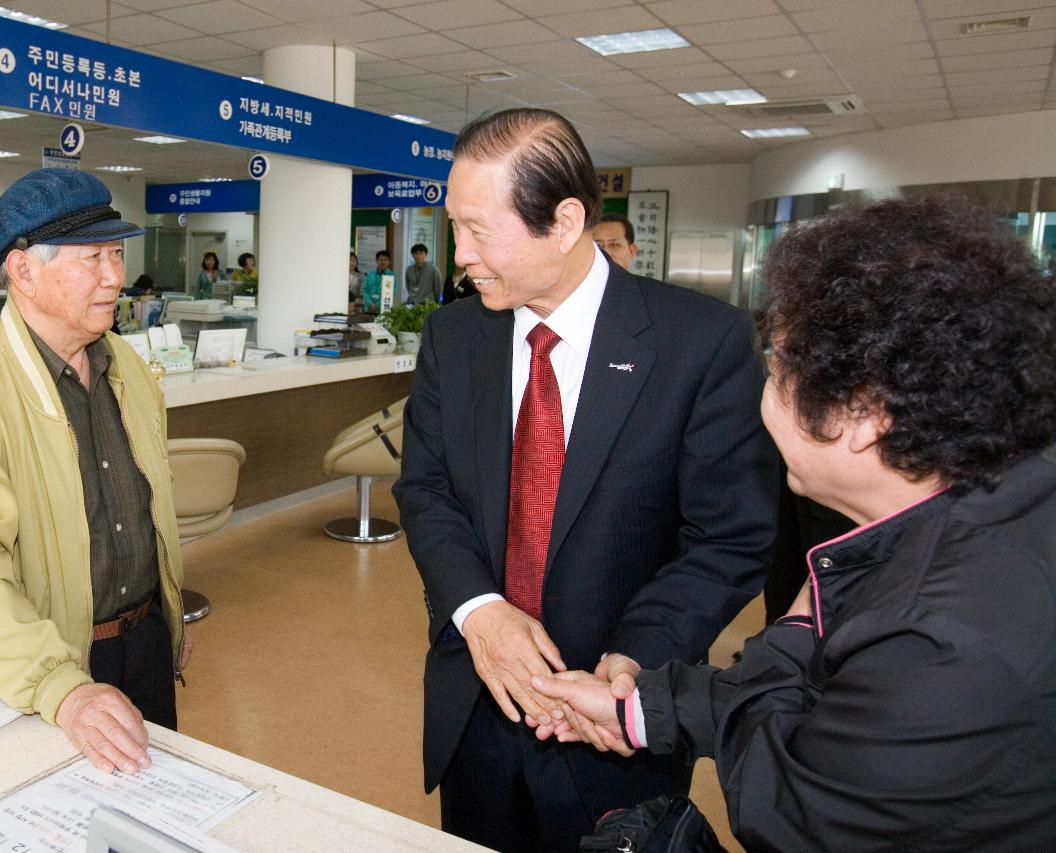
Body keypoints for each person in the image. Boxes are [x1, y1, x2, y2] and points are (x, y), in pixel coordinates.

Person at [532, 196, 1056, 850]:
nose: (764, 384)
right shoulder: (990, 506)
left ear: (862, 414)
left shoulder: (939, 638)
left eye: (778, 364)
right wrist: (637, 709)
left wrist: (803, 617)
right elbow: (814, 706)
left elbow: (787, 806)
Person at [392, 108, 778, 851]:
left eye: (480, 229)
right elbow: (427, 490)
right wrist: (479, 611)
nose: (460, 252)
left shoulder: (699, 342)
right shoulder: (455, 335)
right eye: (454, 227)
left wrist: (633, 656)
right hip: (479, 704)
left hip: (616, 726)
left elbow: (728, 536)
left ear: (564, 221)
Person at [0, 168, 190, 778]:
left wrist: (164, 614)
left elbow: (149, 513)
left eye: (117, 254)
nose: (115, 277)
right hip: (47, 667)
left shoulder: (131, 373)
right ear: (23, 271)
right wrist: (59, 688)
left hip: (146, 643)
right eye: (92, 258)